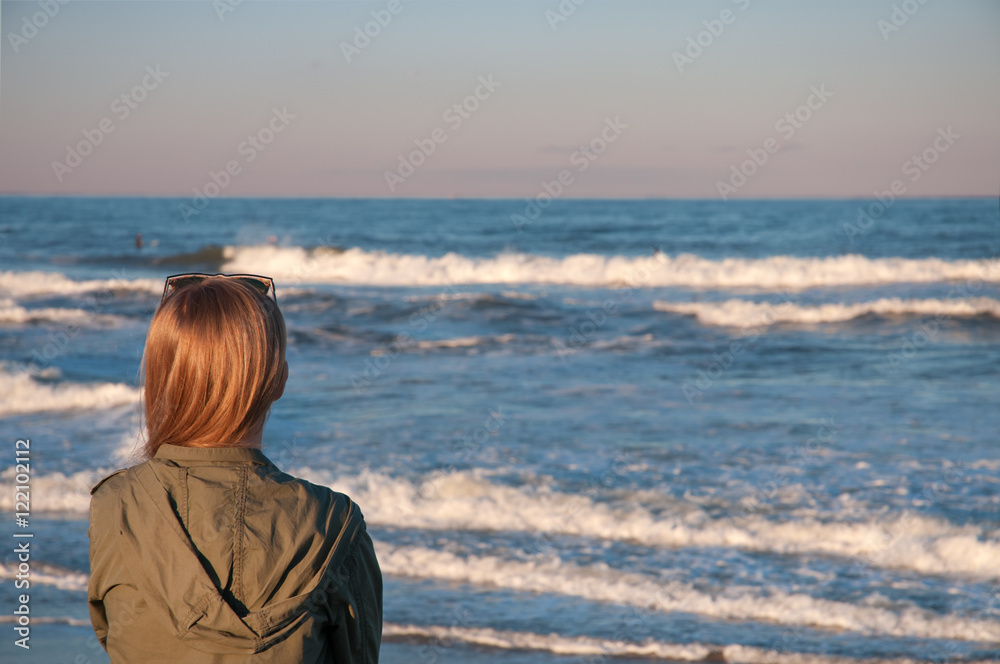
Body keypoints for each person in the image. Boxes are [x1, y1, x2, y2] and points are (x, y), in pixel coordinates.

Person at [87, 273, 382, 663]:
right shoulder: (334, 524)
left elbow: (113, 634)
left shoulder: (116, 505)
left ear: (161, 379)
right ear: (279, 381)